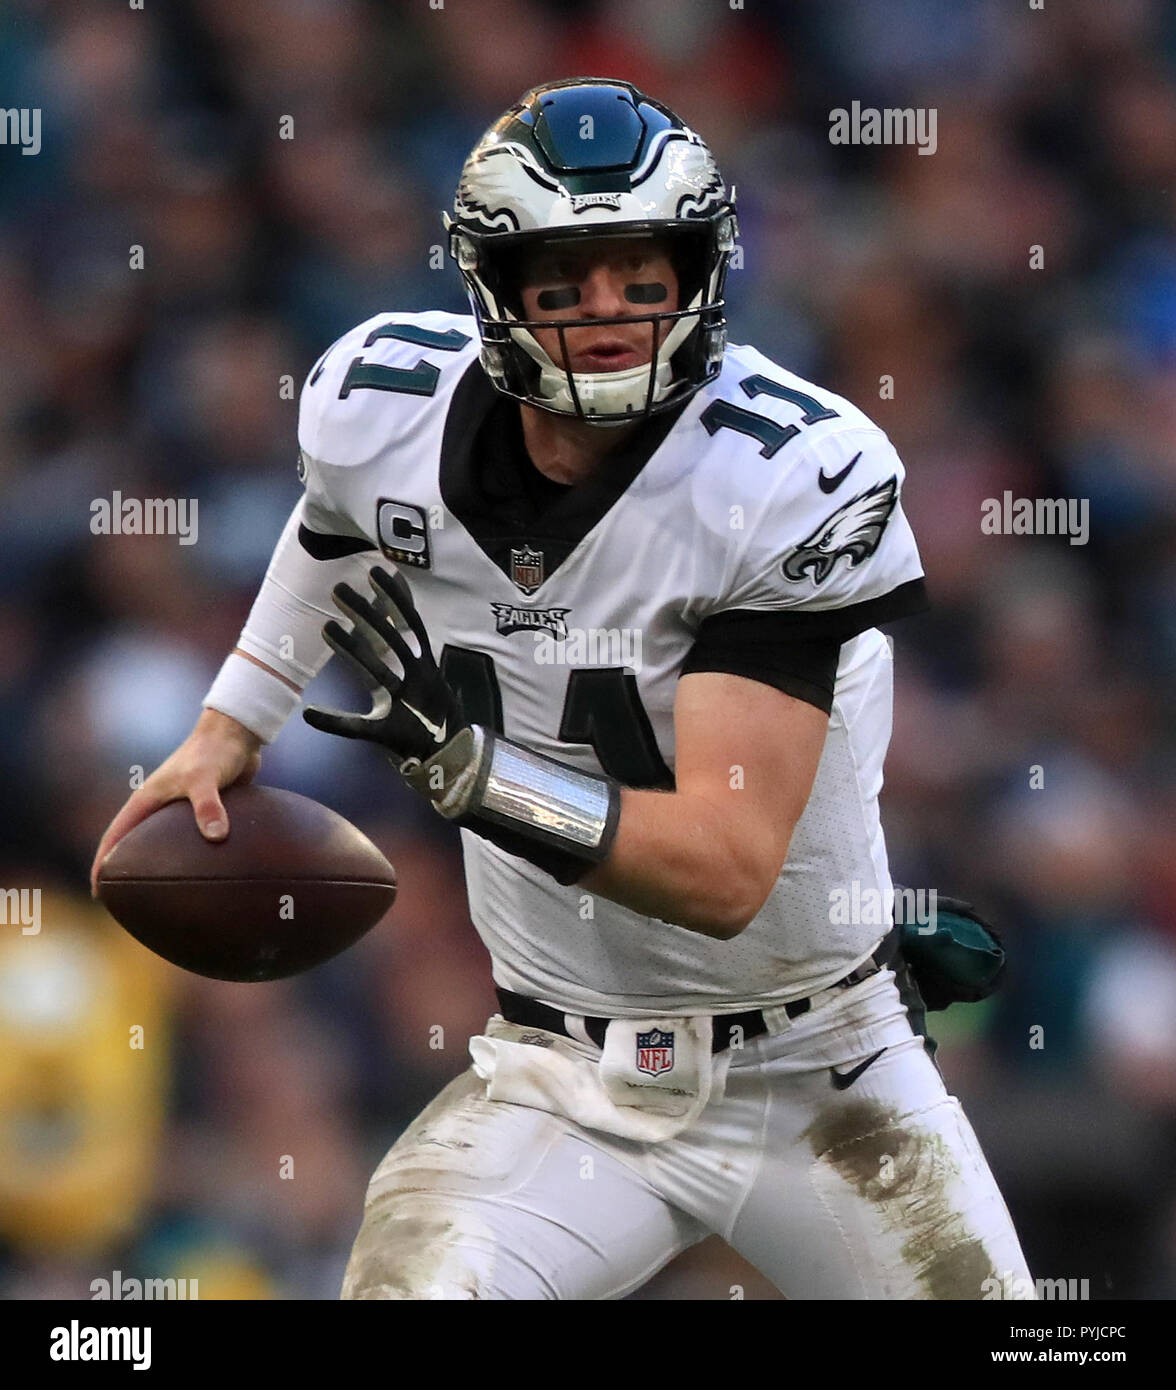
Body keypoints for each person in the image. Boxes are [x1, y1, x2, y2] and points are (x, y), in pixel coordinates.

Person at [92, 78, 1034, 1300]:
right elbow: (337, 526)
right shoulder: (381, 407)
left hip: (821, 1073)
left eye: (643, 274)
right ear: (494, 287)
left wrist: (480, 779)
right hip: (561, 1070)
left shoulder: (787, 475)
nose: (610, 312)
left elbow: (727, 868)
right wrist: (232, 723)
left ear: (700, 272)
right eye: (565, 277)